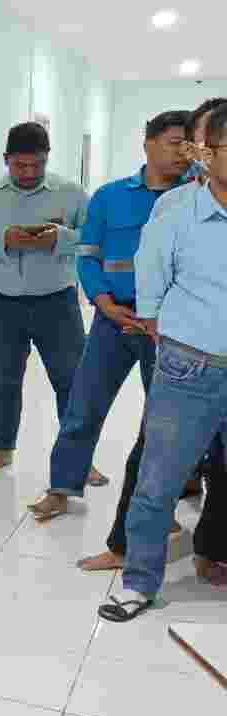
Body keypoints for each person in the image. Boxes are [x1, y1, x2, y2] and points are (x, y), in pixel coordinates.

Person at [77, 98, 227, 579]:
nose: (193, 153)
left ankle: (212, 549)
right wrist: (162, 329)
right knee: (155, 459)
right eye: (196, 143)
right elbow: (151, 279)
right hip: (181, 355)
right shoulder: (176, 206)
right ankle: (129, 554)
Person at [29, 111, 189, 524]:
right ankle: (61, 487)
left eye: (189, 144)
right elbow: (88, 256)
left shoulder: (194, 197)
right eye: (175, 142)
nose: (182, 152)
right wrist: (104, 303)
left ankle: (161, 504)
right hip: (112, 319)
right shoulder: (110, 196)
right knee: (84, 406)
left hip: (168, 327)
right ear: (148, 143)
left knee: (164, 421)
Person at [0, 122, 93, 474]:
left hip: (58, 304)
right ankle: (3, 448)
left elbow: (95, 240)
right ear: (6, 159)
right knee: (3, 381)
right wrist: (2, 240)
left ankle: (80, 458)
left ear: (47, 158)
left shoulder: (71, 193)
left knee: (71, 381)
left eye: (37, 164)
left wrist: (60, 238)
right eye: (20, 165)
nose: (30, 173)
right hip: (2, 304)